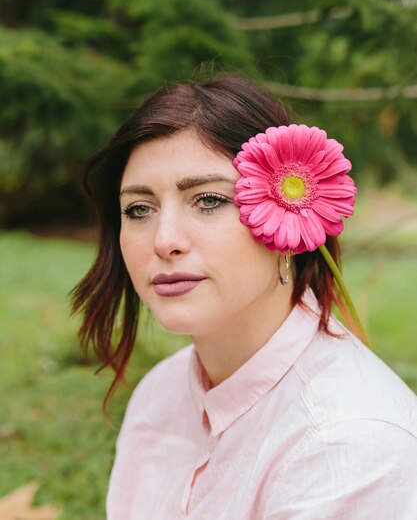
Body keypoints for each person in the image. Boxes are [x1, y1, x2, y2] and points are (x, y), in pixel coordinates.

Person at [72, 74, 417, 520]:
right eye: (139, 209)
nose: (164, 240)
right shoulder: (160, 393)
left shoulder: (346, 443)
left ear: (291, 220)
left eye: (209, 200)